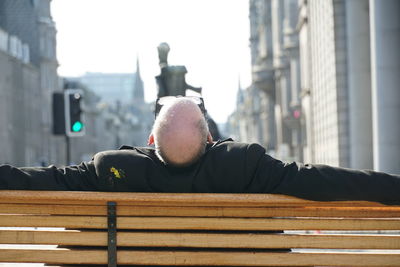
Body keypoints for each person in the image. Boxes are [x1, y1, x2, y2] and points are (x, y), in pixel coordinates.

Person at [0, 96, 399, 204]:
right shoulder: (244, 165)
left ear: (150, 142)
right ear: (210, 139)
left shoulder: (112, 169)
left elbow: (42, 178)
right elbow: (322, 181)